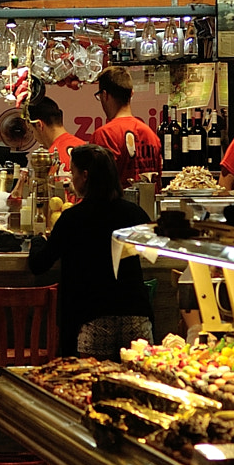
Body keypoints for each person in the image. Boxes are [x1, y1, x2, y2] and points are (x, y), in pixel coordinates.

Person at [26, 146, 154, 356]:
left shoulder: (72, 218)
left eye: (73, 172)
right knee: (137, 384)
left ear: (85, 176)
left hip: (92, 322)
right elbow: (153, 251)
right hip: (137, 321)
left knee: (88, 383)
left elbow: (39, 265)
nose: (71, 178)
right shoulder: (135, 214)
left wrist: (38, 241)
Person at [89, 67, 163, 185]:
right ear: (131, 93)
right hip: (149, 203)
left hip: (115, 204)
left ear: (104, 95)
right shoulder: (151, 136)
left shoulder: (104, 135)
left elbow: (99, 186)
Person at [29, 94, 81, 174]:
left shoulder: (50, 159)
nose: (35, 138)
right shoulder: (82, 146)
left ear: (39, 125)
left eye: (32, 131)